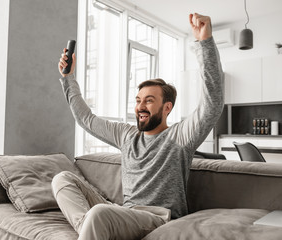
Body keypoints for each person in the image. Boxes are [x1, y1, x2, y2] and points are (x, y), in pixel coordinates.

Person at [52, 13, 224, 240]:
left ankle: (93, 228)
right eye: (138, 100)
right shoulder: (127, 135)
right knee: (62, 179)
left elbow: (212, 103)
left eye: (149, 100)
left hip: (158, 219)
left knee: (100, 214)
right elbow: (86, 119)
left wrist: (205, 43)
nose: (140, 106)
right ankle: (91, 229)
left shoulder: (179, 136)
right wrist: (68, 78)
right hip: (125, 213)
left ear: (167, 108)